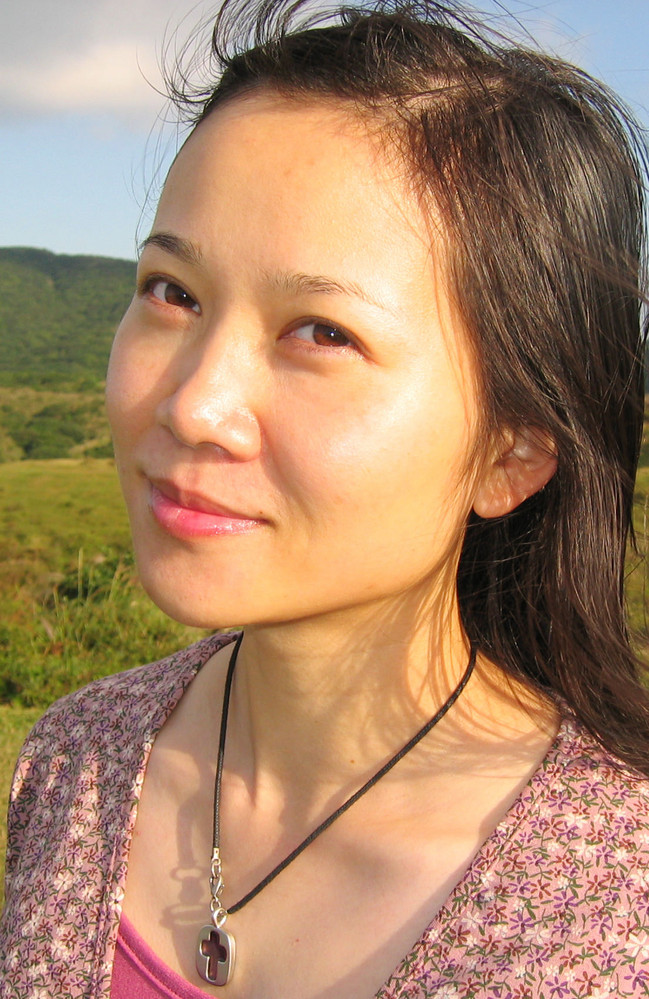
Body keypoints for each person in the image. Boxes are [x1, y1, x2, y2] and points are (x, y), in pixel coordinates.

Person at [2, 0, 649, 996]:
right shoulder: (76, 759)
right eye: (173, 292)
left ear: (510, 453)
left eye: (322, 333)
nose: (195, 404)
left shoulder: (609, 914)